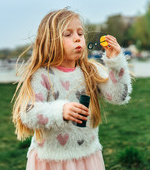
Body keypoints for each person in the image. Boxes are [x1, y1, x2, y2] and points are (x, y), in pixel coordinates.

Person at [12, 9, 133, 170]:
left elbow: (118, 96)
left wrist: (115, 62)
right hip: (51, 160)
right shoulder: (43, 75)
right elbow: (28, 114)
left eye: (80, 33)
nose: (77, 38)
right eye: (68, 34)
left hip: (87, 157)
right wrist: (60, 111)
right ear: (50, 41)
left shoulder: (90, 71)